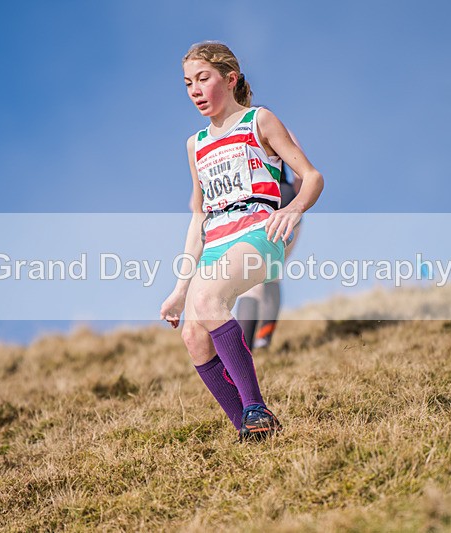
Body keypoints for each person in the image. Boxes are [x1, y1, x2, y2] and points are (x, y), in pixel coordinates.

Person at [159, 41, 324, 441]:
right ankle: (252, 433)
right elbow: (199, 217)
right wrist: (180, 287)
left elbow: (313, 176)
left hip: (258, 234)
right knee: (193, 335)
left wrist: (293, 208)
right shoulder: (194, 144)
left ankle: (256, 408)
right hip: (215, 242)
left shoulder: (259, 120)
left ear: (230, 79)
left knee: (209, 300)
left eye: (203, 79)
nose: (195, 90)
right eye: (187, 84)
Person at [237, 155, 303, 350]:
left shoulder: (219, 136)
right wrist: (292, 206)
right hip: (284, 200)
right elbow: (300, 175)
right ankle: (264, 338)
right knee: (273, 274)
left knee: (250, 283)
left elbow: (195, 203)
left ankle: (243, 356)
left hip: (251, 207)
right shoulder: (274, 126)